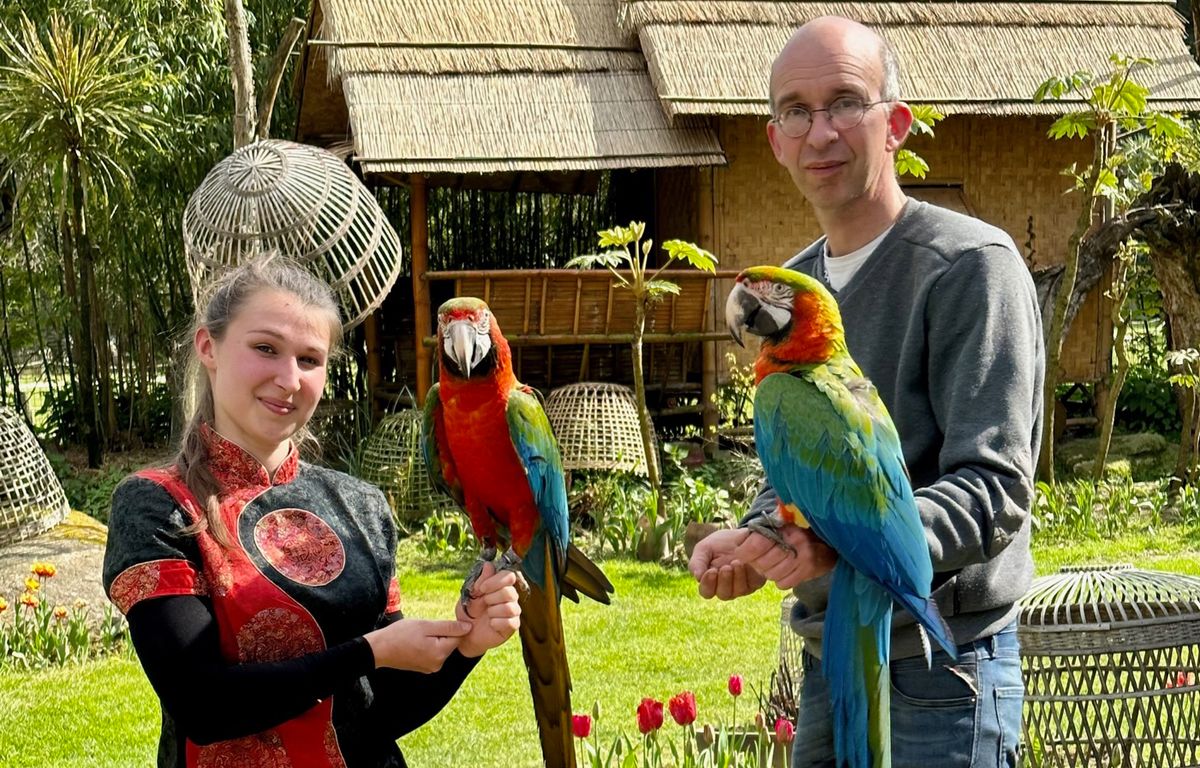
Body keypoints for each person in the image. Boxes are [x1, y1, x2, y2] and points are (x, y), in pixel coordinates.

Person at [689, 16, 1044, 768]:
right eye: (797, 111)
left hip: (943, 672)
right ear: (775, 140)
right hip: (830, 656)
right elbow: (805, 473)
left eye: (846, 102)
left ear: (897, 125)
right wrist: (763, 535)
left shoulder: (971, 267)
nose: (820, 132)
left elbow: (996, 488)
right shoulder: (794, 286)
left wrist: (851, 544)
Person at [102, 255, 521, 768]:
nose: (289, 379)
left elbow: (379, 713)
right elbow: (203, 705)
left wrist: (467, 646)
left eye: (309, 359)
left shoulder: (361, 506)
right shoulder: (158, 504)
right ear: (208, 347)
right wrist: (369, 651)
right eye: (265, 348)